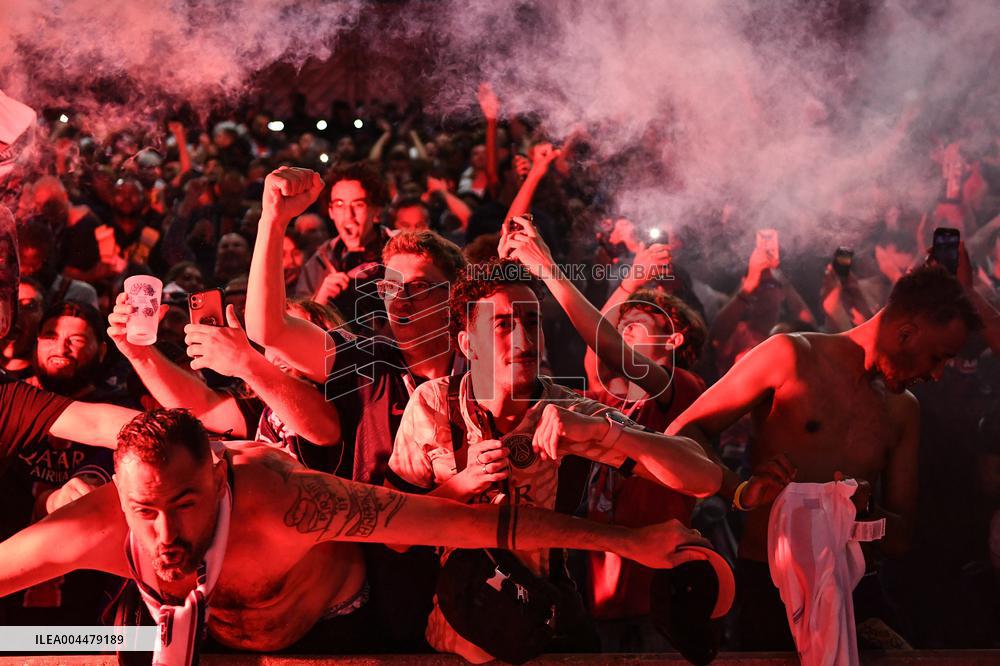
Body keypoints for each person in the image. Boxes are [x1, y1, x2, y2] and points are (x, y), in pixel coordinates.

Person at [0, 409, 712, 655]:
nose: (161, 530)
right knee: (74, 644)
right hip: (198, 644)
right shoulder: (98, 524)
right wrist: (73, 642)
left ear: (218, 474)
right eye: (142, 510)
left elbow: (465, 523)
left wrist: (629, 542)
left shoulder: (284, 501)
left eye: (182, 504)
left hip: (340, 628)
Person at [386, 253, 723, 661]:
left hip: (549, 636)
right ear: (466, 342)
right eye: (503, 325)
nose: (523, 341)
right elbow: (395, 540)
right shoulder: (433, 405)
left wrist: (603, 431)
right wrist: (462, 483)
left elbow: (703, 478)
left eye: (531, 323)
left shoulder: (569, 413)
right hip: (459, 637)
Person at [667, 264, 982, 650]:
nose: (937, 375)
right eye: (936, 357)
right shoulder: (790, 356)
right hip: (771, 586)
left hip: (855, 590)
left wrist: (863, 514)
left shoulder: (904, 410)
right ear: (905, 332)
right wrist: (740, 489)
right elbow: (681, 433)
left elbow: (900, 539)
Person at [293, 162, 390, 330]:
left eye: (358, 204)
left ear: (377, 211)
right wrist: (320, 300)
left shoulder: (402, 250)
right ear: (330, 211)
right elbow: (300, 328)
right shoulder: (320, 261)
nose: (348, 215)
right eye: (339, 205)